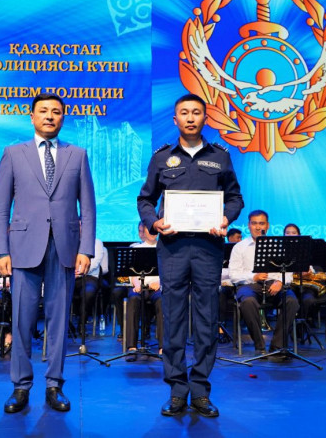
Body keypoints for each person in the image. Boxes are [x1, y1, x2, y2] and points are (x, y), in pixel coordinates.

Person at [138, 93, 243, 418]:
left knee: (207, 320)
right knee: (173, 319)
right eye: (184, 113)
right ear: (176, 119)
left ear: (205, 118)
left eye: (196, 112)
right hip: (173, 248)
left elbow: (235, 198)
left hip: (209, 248)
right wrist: (154, 222)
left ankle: (200, 391)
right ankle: (176, 390)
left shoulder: (220, 157)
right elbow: (145, 199)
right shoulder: (162, 158)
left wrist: (226, 218)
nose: (190, 117)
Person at [0, 92, 96, 413]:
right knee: (21, 320)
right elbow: (0, 208)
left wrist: (86, 249)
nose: (50, 116)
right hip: (23, 247)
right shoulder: (13, 153)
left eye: (56, 111)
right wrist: (0, 251)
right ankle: (21, 387)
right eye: (43, 111)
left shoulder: (77, 155)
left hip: (64, 247)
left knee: (59, 320)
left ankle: (54, 385)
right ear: (32, 117)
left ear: (63, 117)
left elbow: (88, 208)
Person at [229, 211, 299, 361]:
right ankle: (259, 346)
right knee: (247, 302)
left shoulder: (278, 246)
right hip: (250, 285)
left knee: (291, 301)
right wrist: (253, 276)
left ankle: (277, 346)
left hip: (274, 284)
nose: (257, 227)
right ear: (248, 225)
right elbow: (233, 275)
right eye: (254, 223)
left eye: (261, 223)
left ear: (267, 225)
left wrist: (280, 282)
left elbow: (288, 271)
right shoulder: (239, 247)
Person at [124, 222, 162, 361]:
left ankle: (163, 347)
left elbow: (169, 271)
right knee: (133, 299)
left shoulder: (163, 248)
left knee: (162, 301)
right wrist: (136, 283)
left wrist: (160, 282)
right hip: (139, 286)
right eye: (148, 230)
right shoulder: (137, 248)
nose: (151, 233)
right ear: (144, 231)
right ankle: (132, 347)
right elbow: (131, 272)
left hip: (156, 288)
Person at [72, 236, 107, 328]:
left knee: (88, 293)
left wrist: (77, 273)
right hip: (71, 277)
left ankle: (82, 324)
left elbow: (94, 263)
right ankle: (65, 325)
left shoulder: (97, 242)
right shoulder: (70, 239)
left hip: (89, 277)